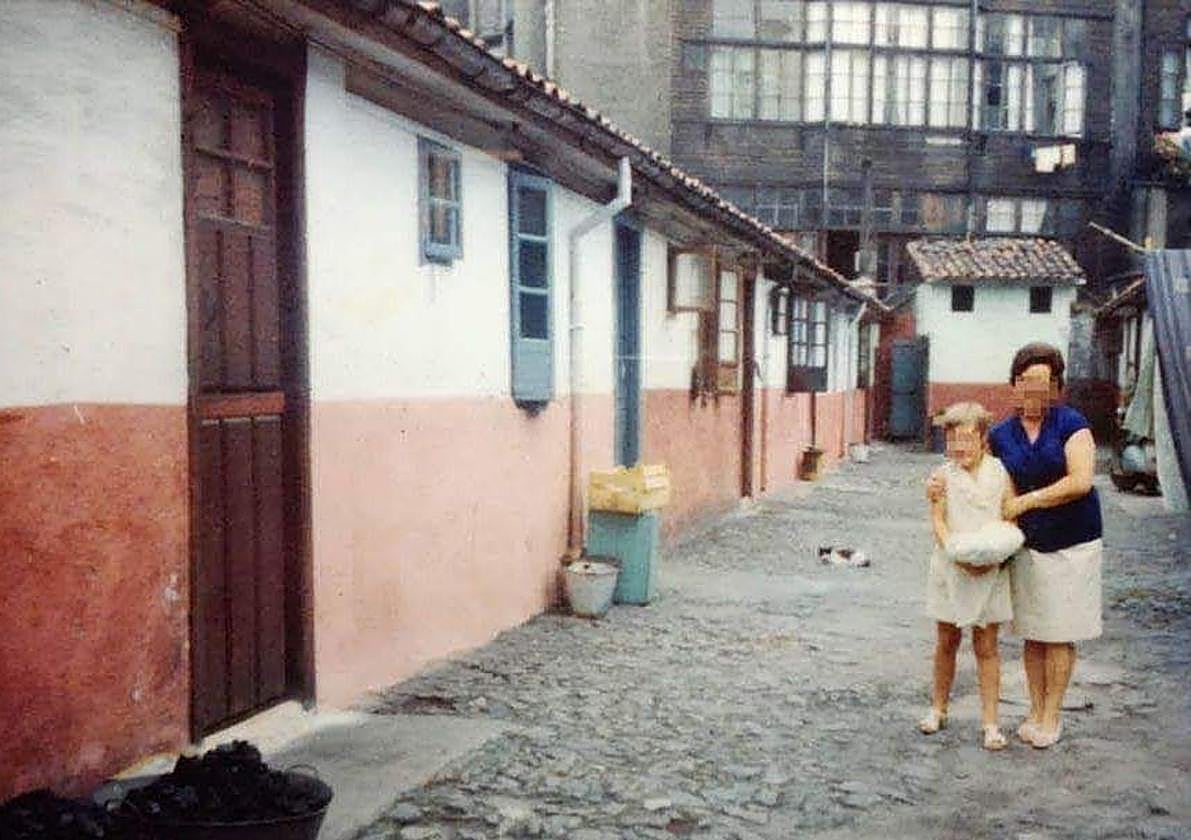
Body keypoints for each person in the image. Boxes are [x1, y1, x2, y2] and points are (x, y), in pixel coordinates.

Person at [992, 343, 1103, 749]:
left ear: (1056, 387)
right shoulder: (1001, 434)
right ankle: (1034, 710)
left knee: (1059, 633)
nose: (1033, 389)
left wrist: (1028, 500)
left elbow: (1080, 481)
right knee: (1034, 632)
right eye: (1026, 381)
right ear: (1014, 385)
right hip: (1029, 544)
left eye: (1043, 381)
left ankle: (1052, 715)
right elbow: (990, 482)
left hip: (1073, 542)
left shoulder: (1072, 424)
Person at [920, 402, 1020, 751]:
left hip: (989, 570)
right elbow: (938, 520)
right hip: (951, 567)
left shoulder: (1000, 472)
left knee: (987, 646)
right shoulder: (941, 477)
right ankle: (938, 708)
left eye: (966, 438)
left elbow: (1010, 517)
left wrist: (993, 555)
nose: (959, 447)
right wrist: (956, 554)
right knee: (947, 640)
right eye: (952, 440)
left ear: (982, 438)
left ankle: (991, 723)